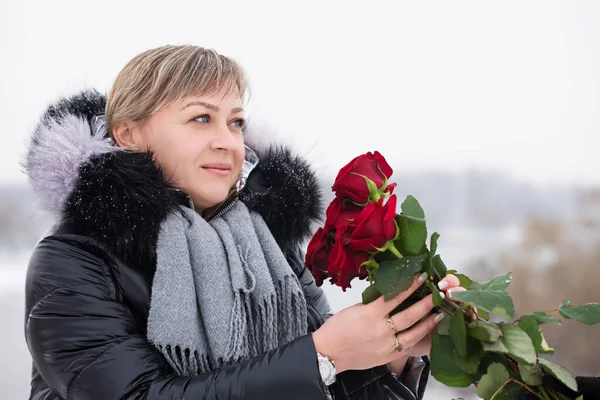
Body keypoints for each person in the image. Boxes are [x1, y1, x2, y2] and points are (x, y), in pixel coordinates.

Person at [23, 44, 462, 400]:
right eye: (201, 118)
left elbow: (328, 384)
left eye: (235, 122)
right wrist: (321, 355)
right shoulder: (73, 261)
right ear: (129, 133)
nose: (227, 142)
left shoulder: (266, 247)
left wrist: (391, 349)